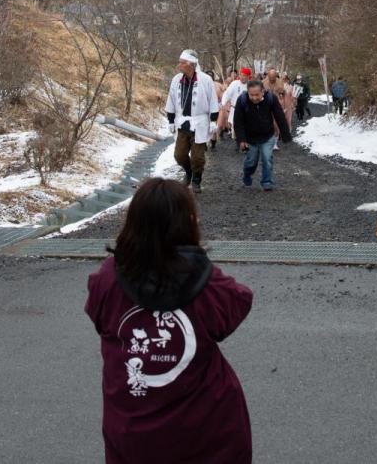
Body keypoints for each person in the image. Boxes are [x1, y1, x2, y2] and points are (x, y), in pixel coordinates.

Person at [85, 178, 253, 464]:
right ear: (188, 221)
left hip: (130, 430)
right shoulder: (208, 283)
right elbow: (239, 302)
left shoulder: (106, 279)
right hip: (207, 429)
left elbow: (100, 319)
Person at [165, 49, 218, 193]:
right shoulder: (176, 79)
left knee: (197, 157)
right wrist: (170, 120)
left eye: (182, 63)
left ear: (190, 64)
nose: (179, 65)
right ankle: (189, 172)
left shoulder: (205, 80)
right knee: (179, 155)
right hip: (182, 122)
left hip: (200, 123)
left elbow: (213, 101)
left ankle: (196, 179)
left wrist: (213, 120)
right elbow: (170, 100)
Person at [233, 80, 293, 191]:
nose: (254, 98)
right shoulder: (242, 100)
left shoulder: (271, 99)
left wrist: (285, 134)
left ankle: (266, 181)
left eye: (257, 95)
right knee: (251, 161)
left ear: (263, 92)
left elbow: (279, 116)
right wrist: (241, 140)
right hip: (250, 137)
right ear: (248, 92)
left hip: (267, 135)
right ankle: (247, 174)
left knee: (267, 158)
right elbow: (238, 122)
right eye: (251, 95)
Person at [218, 68, 250, 148]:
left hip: (247, 110)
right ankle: (238, 142)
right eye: (242, 75)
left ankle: (243, 144)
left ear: (248, 76)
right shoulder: (234, 84)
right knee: (235, 128)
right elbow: (227, 93)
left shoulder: (250, 85)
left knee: (245, 128)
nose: (243, 77)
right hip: (235, 109)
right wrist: (223, 103)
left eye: (245, 76)